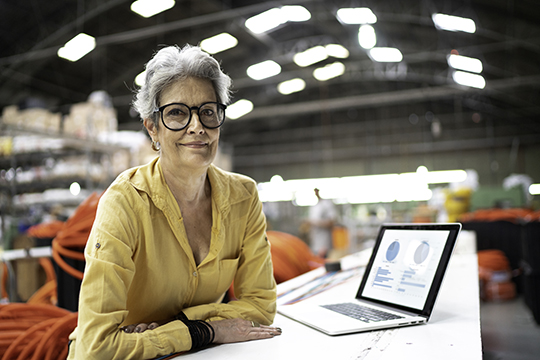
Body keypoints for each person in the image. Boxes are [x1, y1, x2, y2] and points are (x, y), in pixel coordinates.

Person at [67, 44, 281, 359]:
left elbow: (261, 307)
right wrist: (208, 330)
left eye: (208, 112)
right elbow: (96, 347)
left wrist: (178, 328)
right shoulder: (124, 203)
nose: (197, 126)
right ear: (152, 128)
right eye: (178, 113)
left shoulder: (243, 197)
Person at [308, 188, 337, 258]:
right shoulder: (314, 206)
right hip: (315, 241)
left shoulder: (327, 204)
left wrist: (316, 223)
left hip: (325, 241)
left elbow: (332, 222)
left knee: (325, 260)